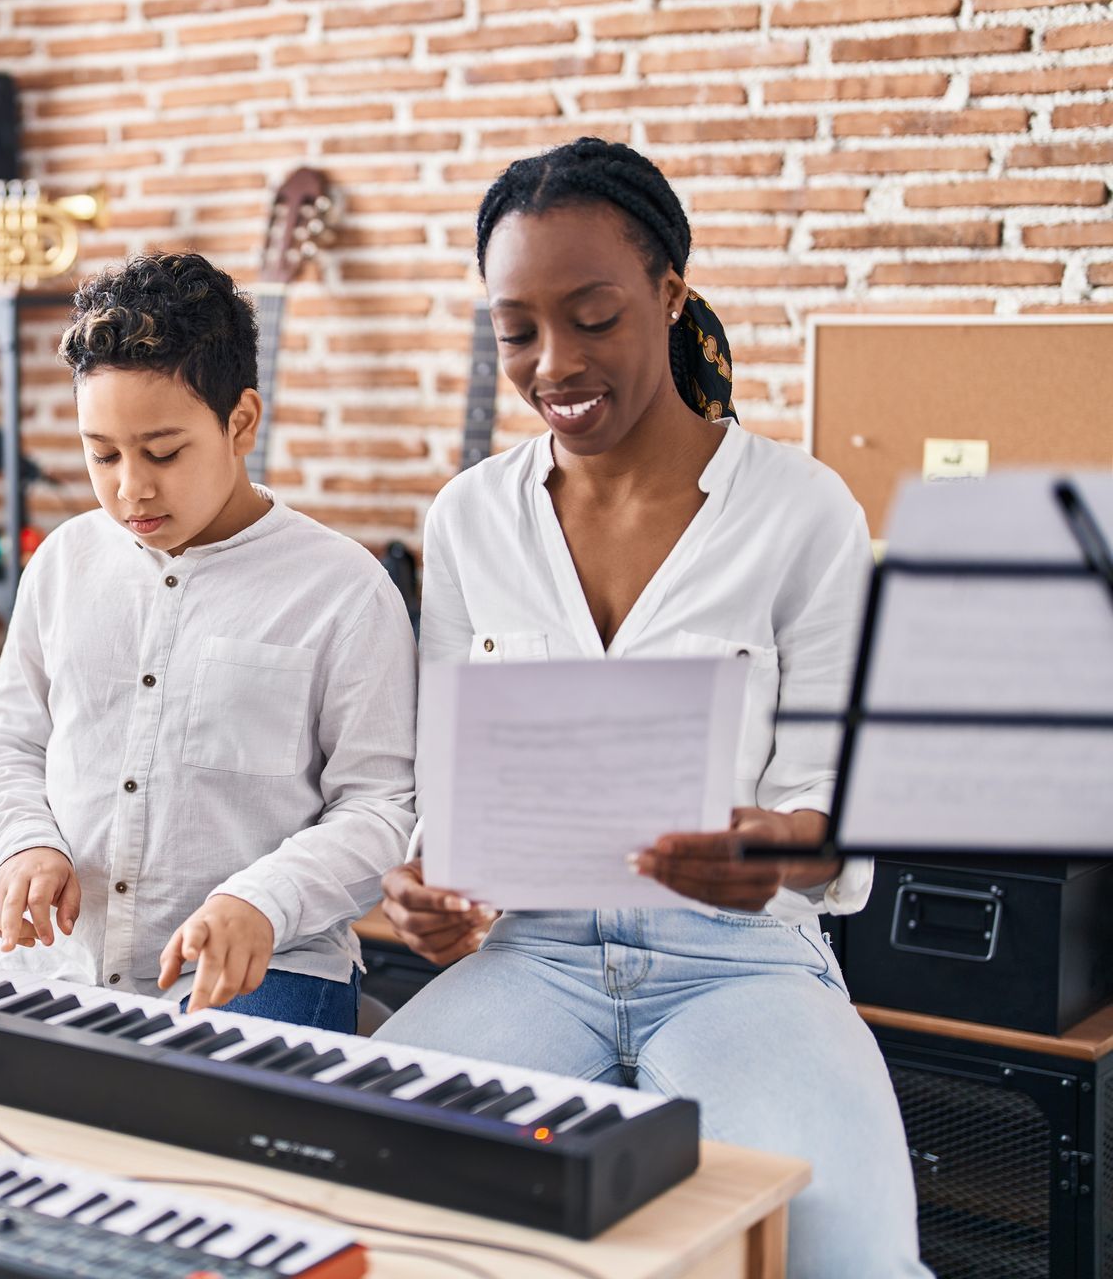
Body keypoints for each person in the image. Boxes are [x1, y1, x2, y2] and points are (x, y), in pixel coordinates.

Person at [373, 139, 927, 1276]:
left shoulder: (804, 510)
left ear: (670, 295)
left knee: (848, 1256)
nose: (552, 364)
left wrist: (782, 850)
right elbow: (452, 781)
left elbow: (837, 805)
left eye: (593, 317)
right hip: (534, 957)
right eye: (516, 329)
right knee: (360, 1190)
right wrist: (429, 880)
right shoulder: (470, 517)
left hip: (744, 965)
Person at [0, 252, 416, 1030]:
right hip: (57, 959)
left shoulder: (344, 589)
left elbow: (381, 807)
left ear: (241, 422)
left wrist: (261, 900)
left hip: (260, 966)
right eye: (101, 453)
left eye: (163, 453)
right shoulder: (64, 563)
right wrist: (22, 844)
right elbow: (5, 745)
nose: (130, 488)